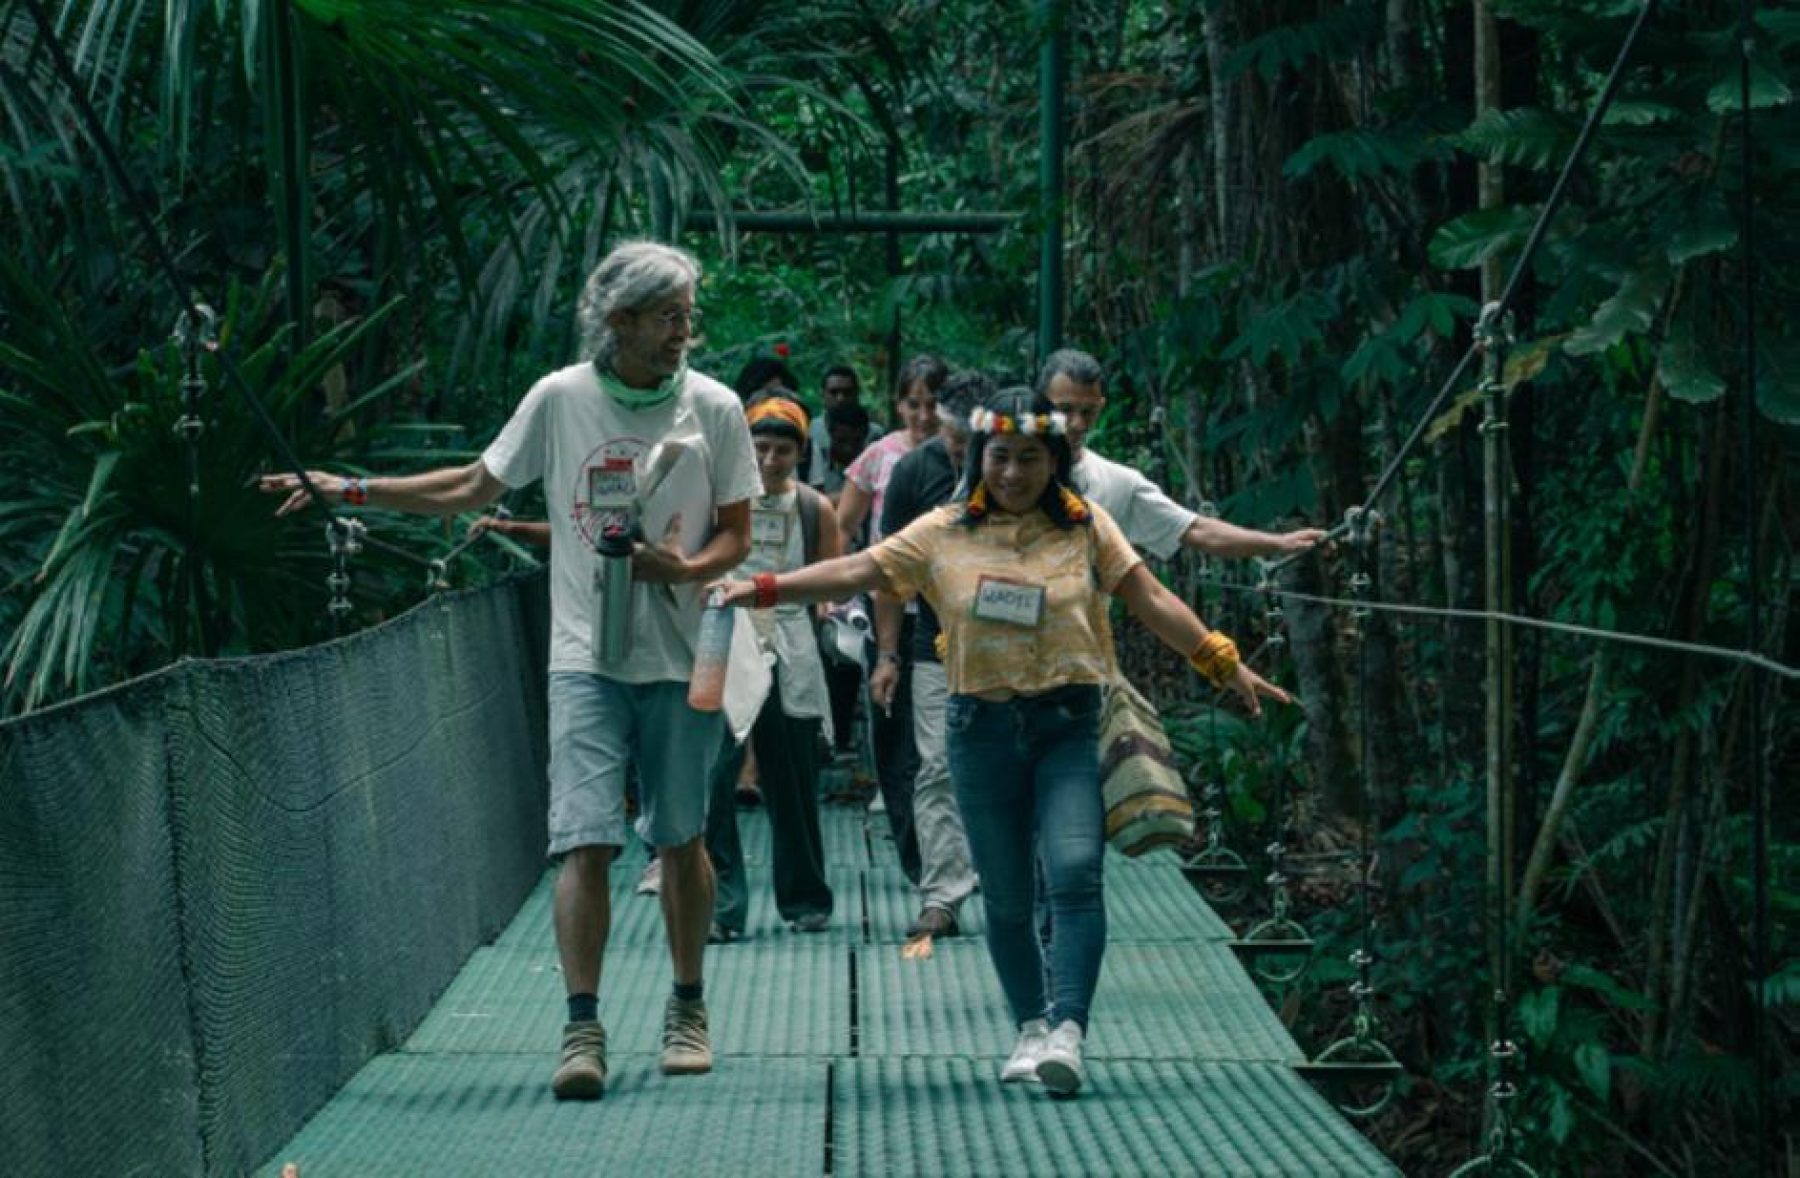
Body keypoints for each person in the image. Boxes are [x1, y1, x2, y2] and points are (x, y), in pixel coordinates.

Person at [261, 241, 762, 1101]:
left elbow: (737, 535)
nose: (685, 331)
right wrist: (353, 490)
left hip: (688, 652)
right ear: (621, 321)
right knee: (584, 838)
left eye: (688, 315)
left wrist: (681, 569)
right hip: (585, 656)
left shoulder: (714, 407)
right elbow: (473, 486)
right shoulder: (560, 399)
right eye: (669, 315)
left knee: (682, 836)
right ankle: (581, 1028)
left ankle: (688, 1005)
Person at [708, 387, 1289, 1098]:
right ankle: (1031, 1027)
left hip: (1065, 726)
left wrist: (1223, 663)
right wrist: (761, 588)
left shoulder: (1086, 527)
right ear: (979, 458)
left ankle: (1068, 1030)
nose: (1013, 473)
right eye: (1001, 457)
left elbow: (1152, 599)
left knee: (1074, 871)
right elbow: (860, 570)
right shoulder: (943, 530)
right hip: (979, 732)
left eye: (1030, 458)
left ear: (1056, 461)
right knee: (1008, 897)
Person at [703, 396, 840, 942]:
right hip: (724, 636)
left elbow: (831, 576)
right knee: (714, 775)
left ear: (800, 453)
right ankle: (721, 906)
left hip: (790, 638)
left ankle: (805, 898)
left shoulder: (813, 507)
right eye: (760, 447)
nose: (769, 459)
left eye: (782, 449)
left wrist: (827, 610)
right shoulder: (721, 499)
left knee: (793, 776)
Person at [872, 369, 993, 941]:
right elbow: (888, 571)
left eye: (967, 441)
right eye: (949, 436)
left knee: (1008, 765)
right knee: (938, 765)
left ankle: (1014, 883)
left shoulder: (1018, 472)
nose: (955, 449)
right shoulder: (915, 471)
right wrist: (887, 655)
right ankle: (942, 893)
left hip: (1010, 650)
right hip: (935, 646)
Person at [1039, 348, 1327, 561]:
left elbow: (1198, 531)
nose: (1077, 424)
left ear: (1101, 407)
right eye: (1065, 410)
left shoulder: (1118, 483)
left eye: (1088, 412)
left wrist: (1280, 543)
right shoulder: (1013, 474)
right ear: (1039, 404)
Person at [834, 355, 948, 885]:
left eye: (934, 404)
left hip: (948, 614)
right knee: (894, 734)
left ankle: (954, 850)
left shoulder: (967, 455)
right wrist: (834, 592)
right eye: (913, 403)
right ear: (898, 405)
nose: (924, 416)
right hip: (890, 609)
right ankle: (916, 856)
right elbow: (843, 527)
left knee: (943, 741)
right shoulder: (879, 457)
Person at [807, 365, 882, 488]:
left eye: (847, 393)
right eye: (834, 392)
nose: (840, 398)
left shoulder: (875, 433)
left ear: (856, 394)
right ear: (823, 394)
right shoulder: (809, 432)